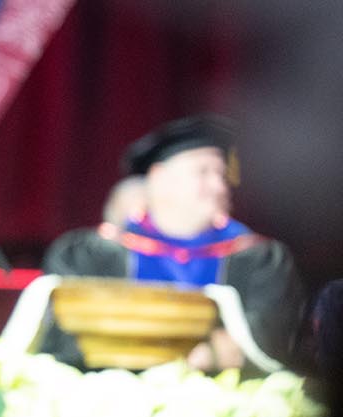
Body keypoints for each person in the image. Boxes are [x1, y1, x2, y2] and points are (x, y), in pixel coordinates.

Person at [40, 115, 306, 371]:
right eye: (203, 172)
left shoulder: (258, 259)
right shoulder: (91, 255)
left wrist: (210, 355)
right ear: (158, 177)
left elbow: (273, 344)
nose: (219, 186)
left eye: (222, 174)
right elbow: (61, 342)